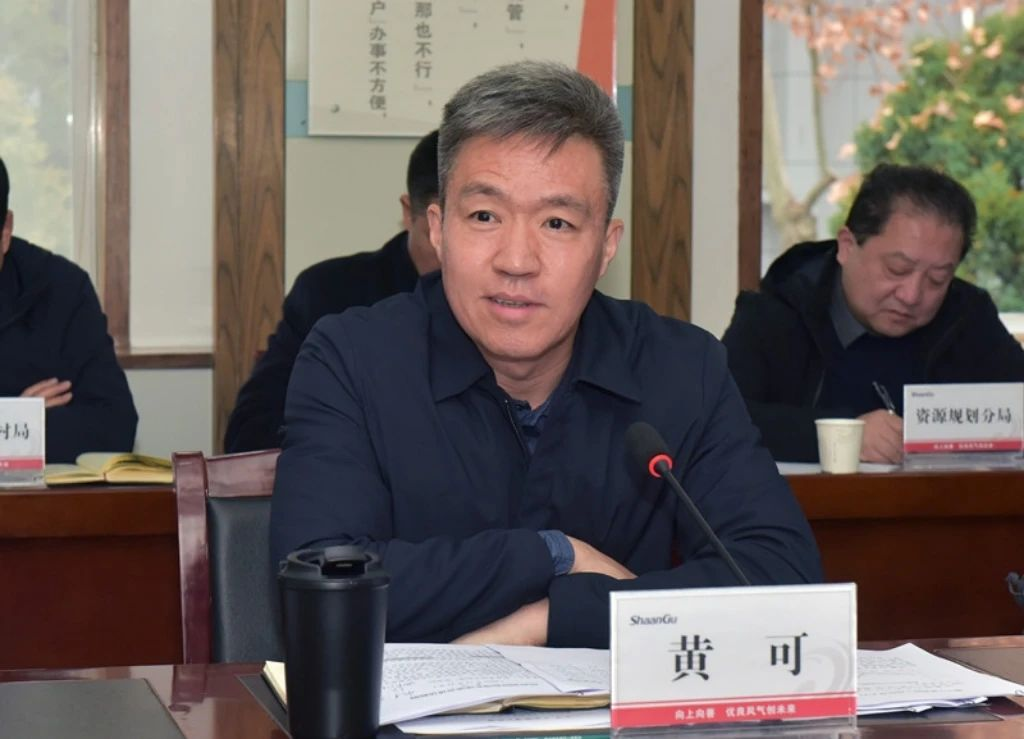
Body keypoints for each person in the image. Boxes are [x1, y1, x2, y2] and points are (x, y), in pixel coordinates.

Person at [270, 62, 821, 648]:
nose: (516, 260)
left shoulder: (681, 369)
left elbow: (783, 583)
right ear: (438, 229)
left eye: (557, 223)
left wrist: (552, 620)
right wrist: (553, 554)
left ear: (606, 246)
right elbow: (321, 591)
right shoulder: (352, 361)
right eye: (485, 216)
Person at [722, 164, 1024, 464]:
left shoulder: (967, 317)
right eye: (897, 269)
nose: (911, 295)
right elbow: (719, 419)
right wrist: (844, 435)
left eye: (937, 279)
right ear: (847, 246)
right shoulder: (774, 312)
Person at [223, 130, 442, 452]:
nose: (458, 256)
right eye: (438, 232)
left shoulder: (511, 298)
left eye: (483, 221)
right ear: (408, 213)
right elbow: (252, 433)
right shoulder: (330, 294)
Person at [0, 156, 137, 462]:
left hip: (36, 492)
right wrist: (17, 422)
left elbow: (115, 427)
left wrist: (17, 429)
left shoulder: (60, 289)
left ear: (5, 232)